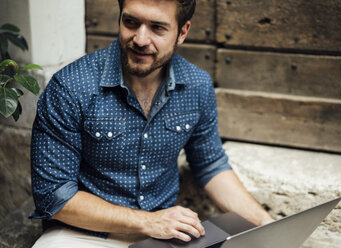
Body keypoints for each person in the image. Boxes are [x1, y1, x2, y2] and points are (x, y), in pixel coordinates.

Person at [30, 0, 274, 247]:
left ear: (182, 32)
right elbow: (54, 196)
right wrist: (149, 221)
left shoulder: (197, 86)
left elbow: (210, 164)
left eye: (157, 27)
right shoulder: (70, 87)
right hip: (83, 233)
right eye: (131, 22)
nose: (140, 39)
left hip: (163, 236)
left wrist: (266, 224)